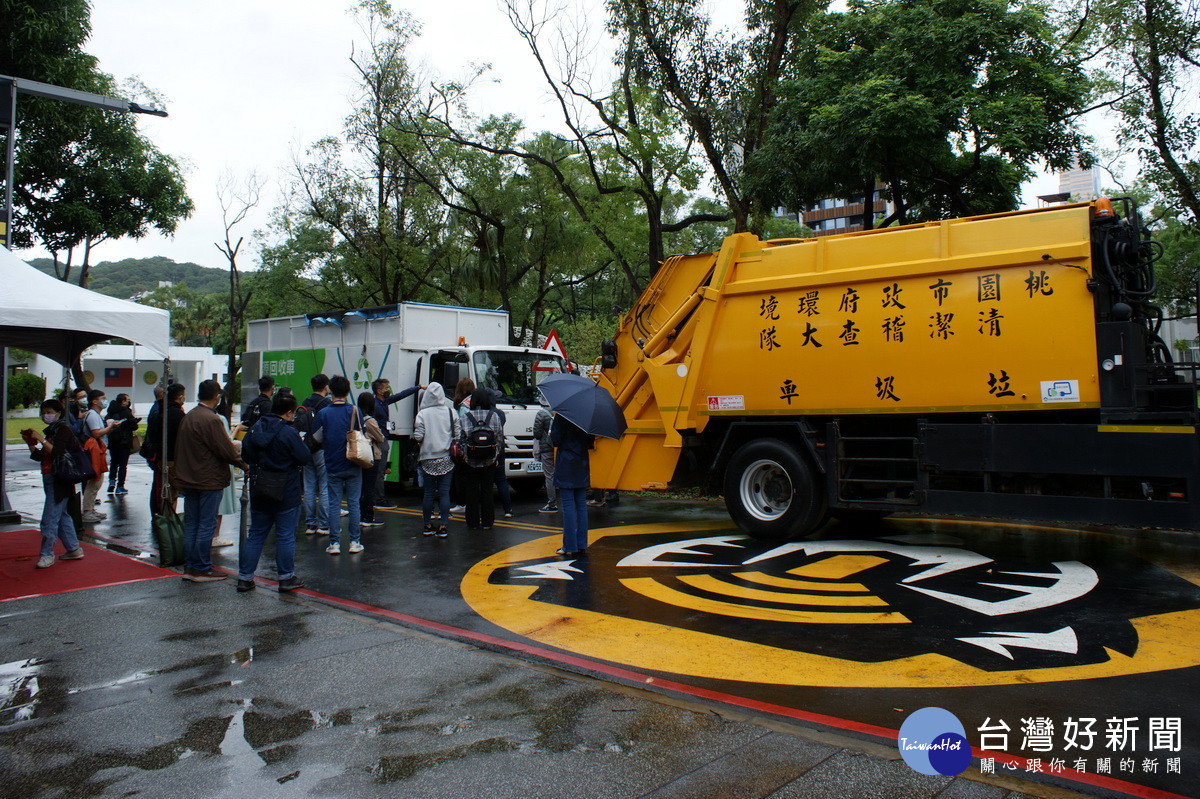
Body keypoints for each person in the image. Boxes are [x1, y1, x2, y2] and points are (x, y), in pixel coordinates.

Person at [172, 380, 246, 582]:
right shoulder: (211, 420)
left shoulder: (189, 416)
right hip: (208, 478)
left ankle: (190, 567)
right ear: (216, 396)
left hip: (189, 478)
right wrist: (244, 465)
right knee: (206, 524)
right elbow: (226, 450)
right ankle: (202, 567)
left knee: (193, 523)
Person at [238, 392, 311, 593]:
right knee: (285, 535)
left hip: (259, 487)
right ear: (288, 413)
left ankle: (245, 578)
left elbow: (245, 454)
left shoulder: (255, 429)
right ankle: (286, 578)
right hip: (286, 489)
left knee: (256, 534)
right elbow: (303, 456)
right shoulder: (289, 433)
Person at [21, 399, 85, 569]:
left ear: (58, 412)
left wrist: (41, 440)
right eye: (43, 412)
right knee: (61, 515)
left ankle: (46, 553)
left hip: (59, 479)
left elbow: (57, 452)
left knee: (49, 518)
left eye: (48, 411)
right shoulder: (52, 431)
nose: (45, 415)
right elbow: (41, 456)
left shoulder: (63, 429)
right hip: (51, 478)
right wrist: (31, 444)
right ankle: (73, 548)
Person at [312, 375, 364, 555]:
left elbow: (317, 438)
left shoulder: (323, 413)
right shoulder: (355, 411)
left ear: (330, 391)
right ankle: (354, 542)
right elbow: (361, 433)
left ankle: (334, 543)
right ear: (348, 392)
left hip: (332, 463)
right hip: (352, 462)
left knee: (334, 504)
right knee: (354, 503)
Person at [413, 382, 459, 537]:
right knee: (445, 493)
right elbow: (458, 434)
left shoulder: (422, 414)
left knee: (428, 494)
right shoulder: (450, 412)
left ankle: (427, 525)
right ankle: (443, 525)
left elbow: (418, 436)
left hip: (427, 458)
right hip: (446, 457)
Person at [369, 378, 423, 509]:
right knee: (380, 471)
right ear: (379, 391)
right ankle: (379, 499)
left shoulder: (384, 402)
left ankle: (377, 497)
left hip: (383, 439)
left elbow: (401, 395)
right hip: (380, 440)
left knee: (379, 471)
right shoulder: (376, 406)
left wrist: (418, 387)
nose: (388, 390)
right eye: (386, 388)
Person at [460, 388, 504, 530]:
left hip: (470, 461)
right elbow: (499, 438)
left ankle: (472, 522)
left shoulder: (466, 417)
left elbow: (461, 439)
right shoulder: (494, 416)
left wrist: (465, 454)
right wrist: (495, 455)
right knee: (487, 491)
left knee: (471, 492)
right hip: (489, 461)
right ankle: (488, 522)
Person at [551, 414, 594, 556]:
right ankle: (582, 543)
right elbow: (590, 441)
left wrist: (551, 433)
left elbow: (555, 440)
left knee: (568, 505)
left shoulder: (562, 415)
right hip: (581, 461)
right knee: (581, 504)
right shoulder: (587, 416)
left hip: (566, 462)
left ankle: (569, 545)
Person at [145, 383, 187, 518]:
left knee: (166, 492)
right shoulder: (176, 414)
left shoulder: (159, 410)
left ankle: (165, 519)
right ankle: (168, 522)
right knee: (175, 492)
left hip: (160, 457)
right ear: (180, 397)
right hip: (172, 458)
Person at [81, 389, 119, 524]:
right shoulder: (92, 415)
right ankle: (87, 511)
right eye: (102, 398)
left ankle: (90, 509)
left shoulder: (96, 414)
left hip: (99, 450)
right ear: (94, 401)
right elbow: (96, 433)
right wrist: (110, 427)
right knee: (94, 482)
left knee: (97, 482)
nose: (104, 401)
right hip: (94, 452)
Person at [300, 374, 332, 536]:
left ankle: (310, 524)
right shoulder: (326, 404)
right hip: (321, 448)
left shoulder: (306, 402)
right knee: (324, 487)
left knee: (309, 487)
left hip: (307, 448)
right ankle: (324, 524)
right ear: (326, 387)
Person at [209, 393, 239, 548]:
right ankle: (214, 536)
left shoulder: (193, 416)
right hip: (221, 467)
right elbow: (227, 443)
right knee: (218, 505)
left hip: (205, 469)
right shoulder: (219, 419)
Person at [357, 391, 387, 528]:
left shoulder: (356, 418)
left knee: (360, 488)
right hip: (370, 456)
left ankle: (360, 515)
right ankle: (368, 517)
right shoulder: (370, 421)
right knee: (369, 488)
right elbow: (380, 438)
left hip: (358, 455)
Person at [449, 378, 476, 514]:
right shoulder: (476, 401)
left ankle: (462, 503)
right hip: (477, 444)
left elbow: (462, 427)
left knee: (461, 475)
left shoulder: (463, 406)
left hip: (465, 445)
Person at [105, 393, 139, 496]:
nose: (128, 402)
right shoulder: (126, 412)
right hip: (124, 441)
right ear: (123, 402)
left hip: (112, 441)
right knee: (123, 465)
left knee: (114, 462)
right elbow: (134, 426)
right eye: (127, 400)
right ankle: (120, 486)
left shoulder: (110, 411)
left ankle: (111, 481)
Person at [531, 396, 557, 513]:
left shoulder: (541, 414)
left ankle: (552, 503)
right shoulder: (558, 412)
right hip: (557, 448)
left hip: (546, 448)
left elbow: (536, 433)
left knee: (549, 476)